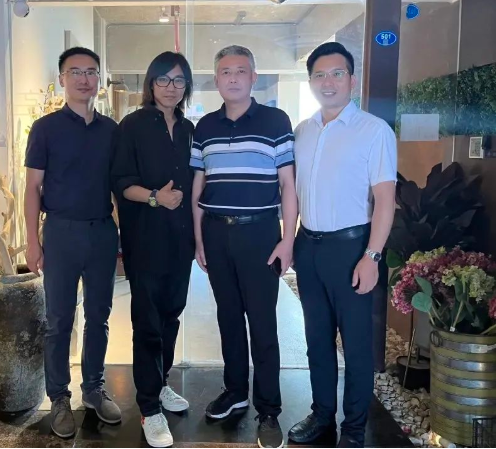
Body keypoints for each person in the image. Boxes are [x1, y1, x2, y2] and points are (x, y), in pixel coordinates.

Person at [288, 42, 397, 448]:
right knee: (317, 339)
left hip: (352, 249)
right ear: (311, 81)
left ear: (352, 79)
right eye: (320, 74)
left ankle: (353, 429)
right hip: (308, 246)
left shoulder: (374, 130)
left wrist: (372, 256)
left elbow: (385, 200)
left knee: (356, 345)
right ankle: (322, 415)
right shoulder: (303, 131)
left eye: (337, 73)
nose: (328, 82)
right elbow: (292, 193)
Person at [190, 45, 298, 449]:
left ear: (253, 77)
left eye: (240, 70)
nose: (232, 77)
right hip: (217, 233)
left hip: (260, 234)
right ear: (216, 79)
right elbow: (198, 186)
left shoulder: (275, 121)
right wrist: (199, 239)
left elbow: (288, 185)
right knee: (229, 318)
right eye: (225, 71)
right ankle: (235, 392)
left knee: (263, 323)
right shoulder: (204, 127)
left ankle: (269, 409)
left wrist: (287, 239)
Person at [24, 47, 122, 439]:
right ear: (62, 78)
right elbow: (32, 188)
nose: (84, 79)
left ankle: (93, 388)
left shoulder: (112, 130)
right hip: (61, 232)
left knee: (99, 315)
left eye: (91, 72)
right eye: (75, 71)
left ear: (99, 79)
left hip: (102, 232)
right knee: (59, 320)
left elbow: (118, 187)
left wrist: (124, 236)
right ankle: (60, 398)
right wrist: (32, 241)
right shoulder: (45, 128)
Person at [112, 51, 195, 448]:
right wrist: (154, 198)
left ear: (186, 86)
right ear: (151, 83)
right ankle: (148, 407)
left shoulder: (189, 129)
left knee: (171, 315)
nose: (170, 87)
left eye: (178, 80)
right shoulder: (132, 125)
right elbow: (120, 182)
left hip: (181, 240)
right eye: (163, 79)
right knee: (146, 321)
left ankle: (160, 384)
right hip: (145, 238)